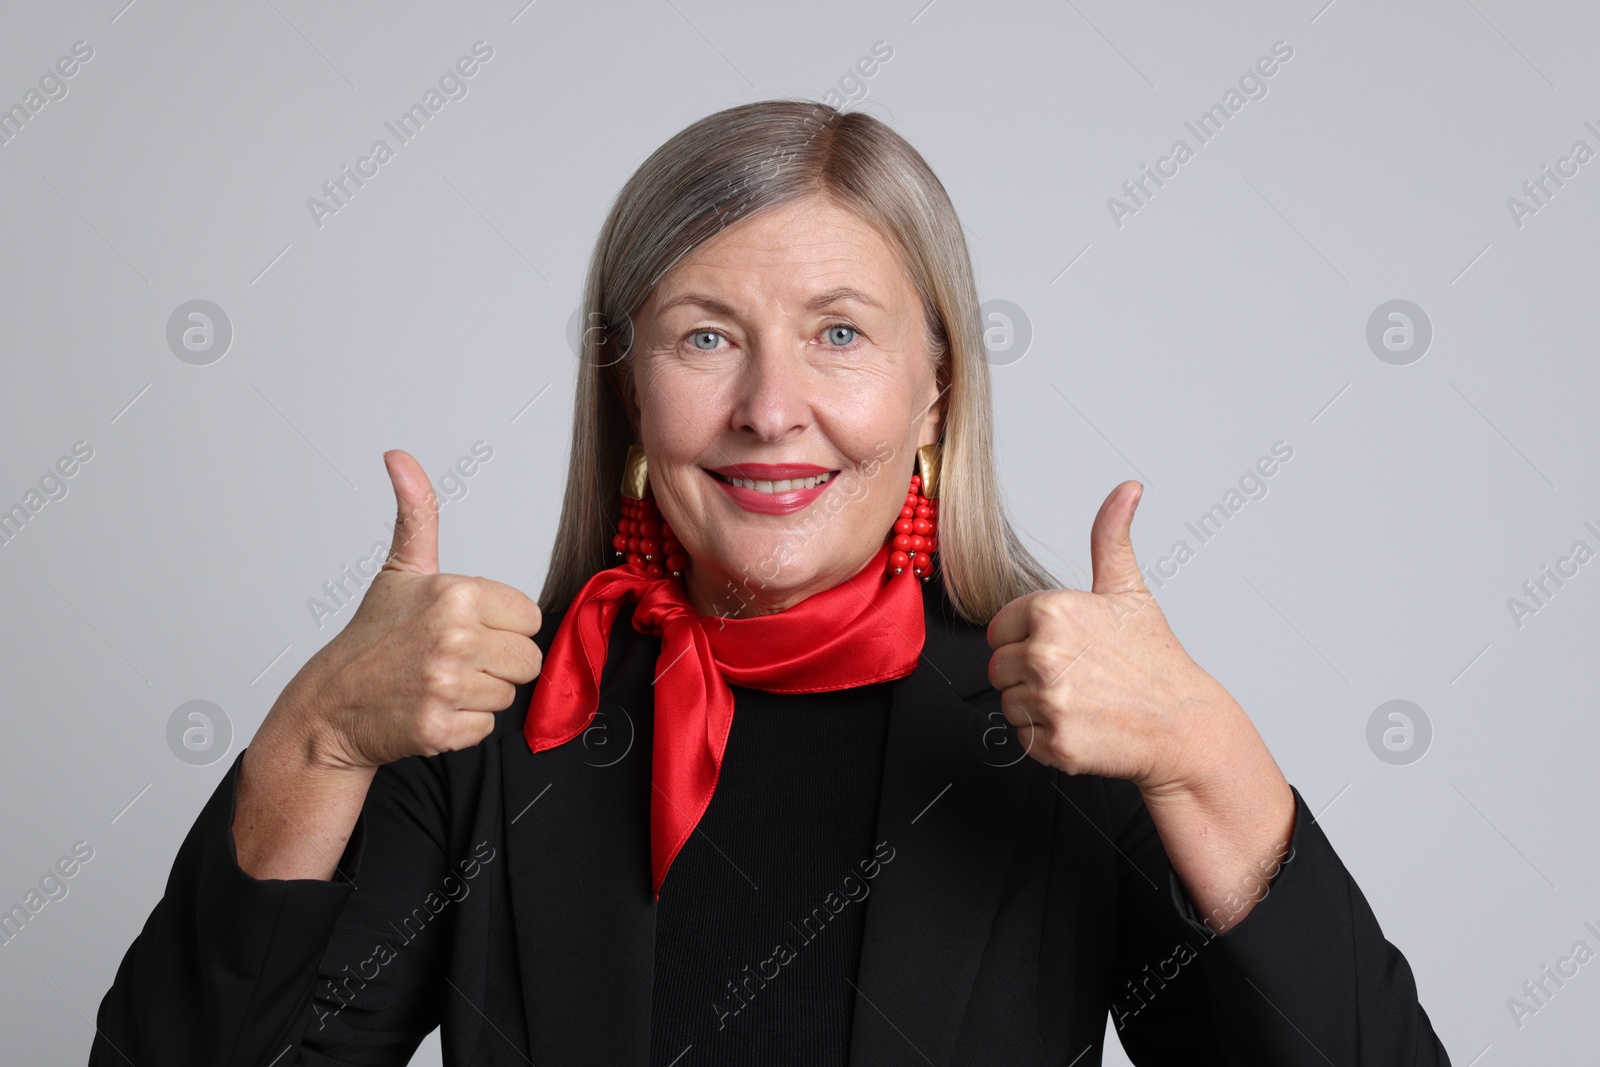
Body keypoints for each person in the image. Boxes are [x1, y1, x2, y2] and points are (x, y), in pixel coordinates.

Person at [90, 100, 1450, 1066]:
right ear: (628, 397)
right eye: (705, 337)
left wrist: (1212, 756)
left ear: (936, 395)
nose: (770, 408)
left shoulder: (1068, 726)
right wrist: (314, 739)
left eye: (839, 334)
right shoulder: (492, 718)